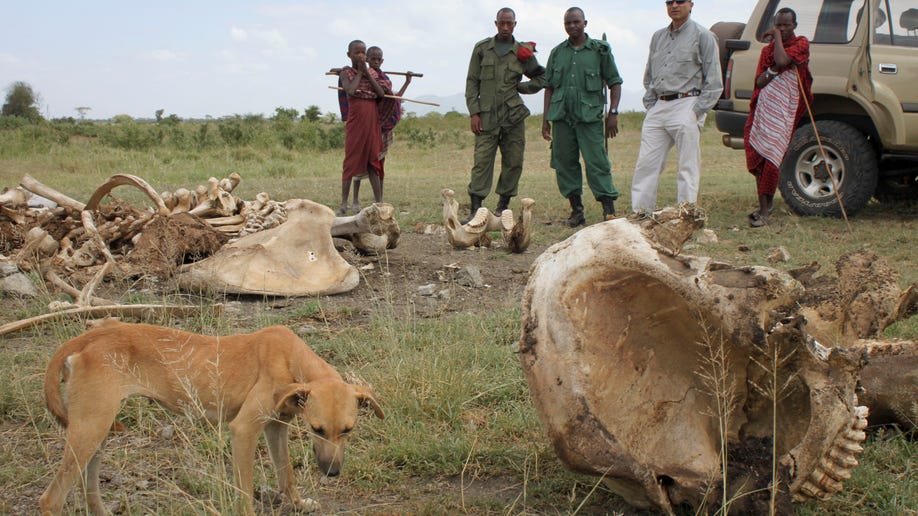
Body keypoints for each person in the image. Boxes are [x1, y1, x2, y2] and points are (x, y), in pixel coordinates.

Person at [631, 0, 722, 214]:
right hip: (659, 105)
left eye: (680, 1)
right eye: (669, 2)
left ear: (691, 4)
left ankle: (685, 217)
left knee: (687, 166)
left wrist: (697, 111)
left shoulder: (703, 36)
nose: (674, 5)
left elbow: (714, 79)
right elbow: (650, 74)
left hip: (688, 102)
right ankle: (641, 216)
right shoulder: (658, 37)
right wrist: (651, 104)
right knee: (646, 165)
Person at [541, 7, 623, 226]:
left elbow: (614, 82)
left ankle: (609, 210)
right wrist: (545, 120)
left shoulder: (599, 50)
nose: (572, 26)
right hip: (562, 118)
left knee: (597, 162)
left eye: (576, 22)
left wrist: (613, 113)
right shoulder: (557, 52)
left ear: (585, 23)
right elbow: (549, 87)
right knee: (565, 164)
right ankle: (576, 211)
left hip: (589, 118)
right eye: (568, 23)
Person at [465, 7, 545, 221]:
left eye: (510, 23)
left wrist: (523, 88)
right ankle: (476, 208)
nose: (506, 27)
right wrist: (474, 112)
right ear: (496, 23)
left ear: (515, 25)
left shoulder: (521, 52)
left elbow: (542, 77)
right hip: (487, 116)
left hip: (513, 116)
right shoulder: (482, 49)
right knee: (482, 161)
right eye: (502, 23)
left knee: (513, 161)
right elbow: (472, 81)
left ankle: (503, 206)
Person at [743, 8, 812, 227]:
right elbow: (760, 82)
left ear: (794, 25)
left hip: (785, 109)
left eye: (785, 25)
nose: (782, 29)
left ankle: (765, 212)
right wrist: (772, 69)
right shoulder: (767, 52)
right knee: (760, 156)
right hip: (765, 109)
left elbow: (782, 61)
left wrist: (776, 39)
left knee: (772, 157)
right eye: (778, 25)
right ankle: (765, 205)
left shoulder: (801, 43)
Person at [349, 46, 412, 213]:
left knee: (378, 164)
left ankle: (380, 200)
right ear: (367, 59)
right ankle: (355, 200)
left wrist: (406, 82)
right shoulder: (363, 76)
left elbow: (394, 98)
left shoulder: (384, 78)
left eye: (379, 59)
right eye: (373, 59)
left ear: (382, 60)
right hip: (367, 126)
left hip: (381, 129)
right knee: (360, 161)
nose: (376, 62)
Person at [338, 40, 386, 216]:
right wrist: (361, 73)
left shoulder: (372, 72)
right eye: (357, 52)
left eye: (363, 53)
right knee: (351, 159)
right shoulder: (346, 72)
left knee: (374, 159)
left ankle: (379, 201)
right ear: (349, 54)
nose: (361, 56)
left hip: (372, 119)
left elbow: (380, 93)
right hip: (356, 119)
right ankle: (344, 203)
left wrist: (368, 73)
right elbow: (350, 90)